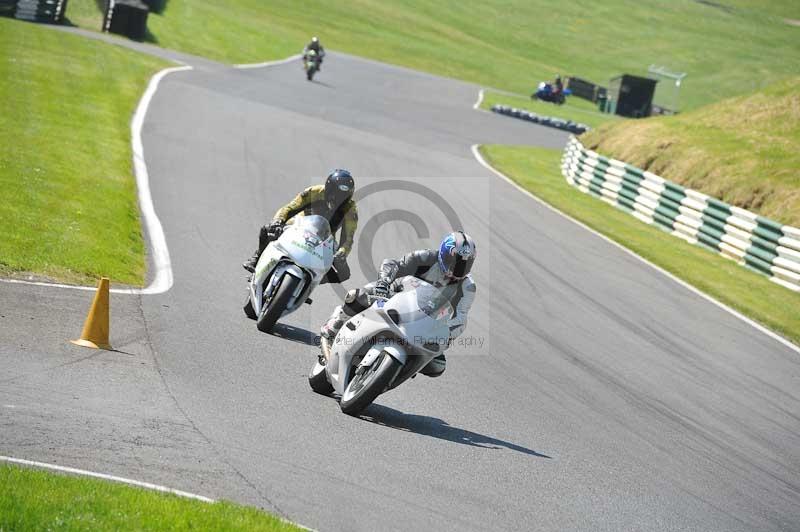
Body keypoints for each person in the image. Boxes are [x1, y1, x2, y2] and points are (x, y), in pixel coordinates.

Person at [319, 231, 477, 378]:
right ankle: (334, 327)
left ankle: (397, 371)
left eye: (465, 265)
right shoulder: (426, 257)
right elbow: (394, 264)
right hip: (396, 295)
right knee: (358, 296)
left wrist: (446, 335)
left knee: (438, 366)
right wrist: (383, 283)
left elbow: (460, 318)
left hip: (425, 323)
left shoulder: (468, 287)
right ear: (443, 254)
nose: (457, 270)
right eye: (453, 262)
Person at [242, 169, 357, 283]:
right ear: (328, 189)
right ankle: (257, 258)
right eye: (335, 195)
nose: (337, 201)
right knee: (268, 230)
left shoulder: (351, 210)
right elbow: (289, 208)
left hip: (325, 238)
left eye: (343, 197)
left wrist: (342, 253)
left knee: (343, 274)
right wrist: (278, 221)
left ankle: (310, 281)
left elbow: (348, 238)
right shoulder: (314, 192)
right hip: (300, 225)